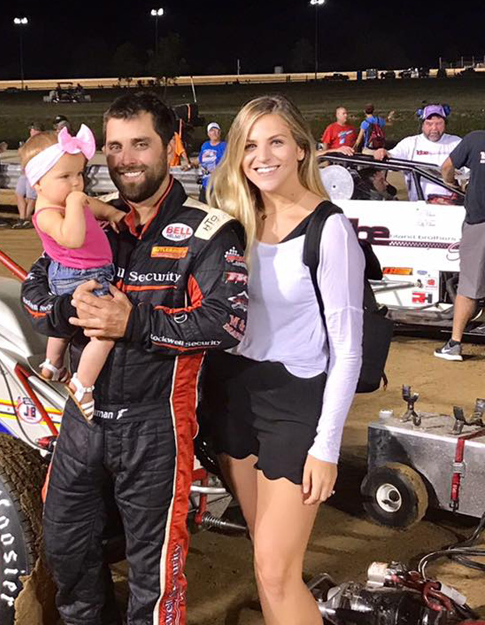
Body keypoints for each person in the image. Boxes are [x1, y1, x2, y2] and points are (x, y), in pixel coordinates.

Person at [21, 92, 248, 625]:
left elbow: (227, 323)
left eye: (140, 144)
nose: (125, 159)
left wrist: (135, 323)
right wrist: (67, 310)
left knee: (154, 571)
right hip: (82, 422)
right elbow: (34, 295)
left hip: (156, 425)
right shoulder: (89, 216)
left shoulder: (209, 230)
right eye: (116, 146)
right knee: (66, 548)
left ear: (170, 147)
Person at [203, 94, 364, 625]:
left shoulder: (329, 229)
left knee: (276, 571)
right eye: (250, 145)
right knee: (265, 560)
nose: (262, 156)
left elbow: (348, 350)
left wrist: (327, 447)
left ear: (300, 148)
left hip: (294, 404)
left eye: (275, 142)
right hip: (234, 395)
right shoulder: (236, 221)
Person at [24, 124, 125, 417]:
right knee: (104, 333)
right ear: (38, 183)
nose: (76, 183)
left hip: (74, 273)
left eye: (79, 174)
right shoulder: (47, 213)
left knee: (65, 324)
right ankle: (83, 383)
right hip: (83, 274)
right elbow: (73, 238)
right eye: (65, 177)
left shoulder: (63, 199)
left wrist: (110, 212)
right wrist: (75, 203)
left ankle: (53, 363)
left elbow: (93, 205)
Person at [434, 130, 485, 360]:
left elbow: (447, 167)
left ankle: (455, 343)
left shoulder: (476, 138)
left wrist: (452, 182)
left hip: (479, 221)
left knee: (469, 285)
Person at [372, 103, 461, 201]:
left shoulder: (457, 143)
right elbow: (393, 156)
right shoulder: (410, 143)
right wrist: (383, 152)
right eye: (429, 124)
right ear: (422, 125)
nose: (434, 128)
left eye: (439, 123)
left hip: (452, 204)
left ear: (445, 124)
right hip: (419, 204)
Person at [12, 122, 43, 229]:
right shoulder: (29, 141)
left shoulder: (40, 141)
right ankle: (22, 217)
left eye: (33, 129)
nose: (31, 131)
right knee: (19, 193)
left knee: (31, 196)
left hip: (33, 172)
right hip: (25, 171)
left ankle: (26, 218)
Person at [198, 121, 227, 189]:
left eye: (216, 130)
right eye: (212, 130)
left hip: (219, 185)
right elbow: (199, 159)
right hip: (206, 184)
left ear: (220, 132)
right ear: (208, 134)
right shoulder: (205, 145)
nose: (214, 132)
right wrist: (190, 165)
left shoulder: (225, 146)